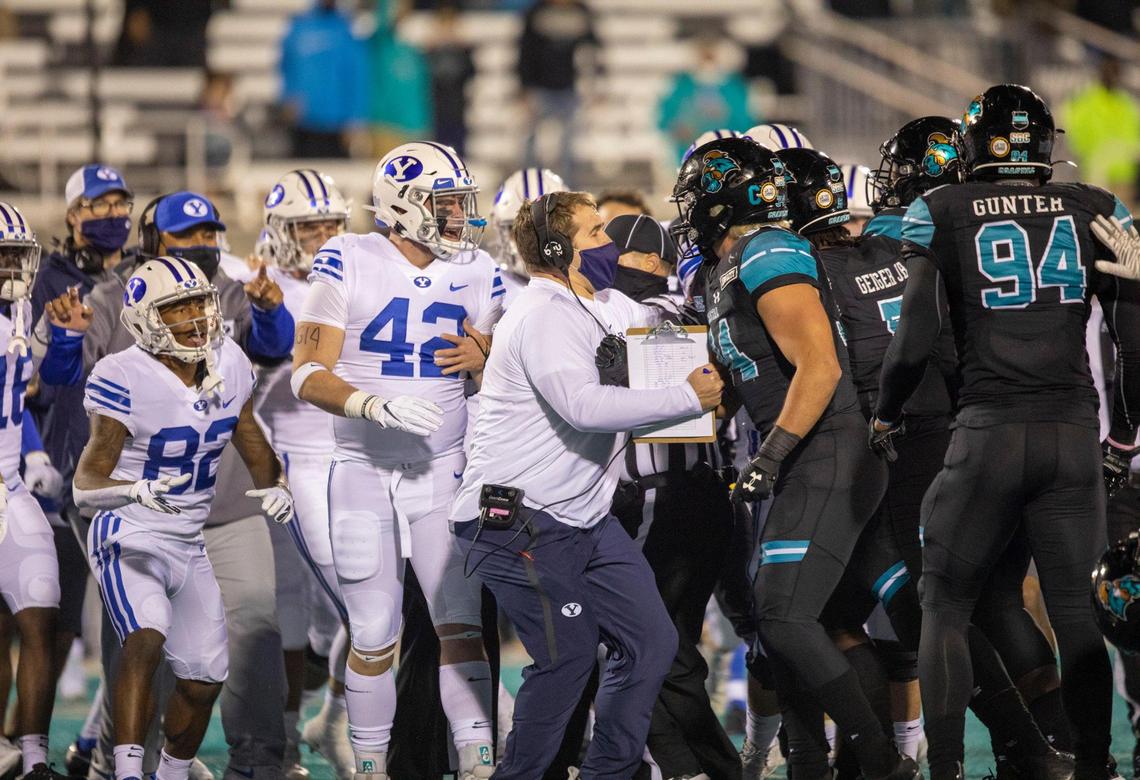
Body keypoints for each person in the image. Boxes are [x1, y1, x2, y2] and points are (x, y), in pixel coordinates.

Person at [871, 83, 1140, 780]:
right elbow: (1130, 349)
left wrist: (886, 413)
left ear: (972, 142)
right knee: (1076, 611)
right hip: (1072, 432)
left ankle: (950, 766)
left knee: (945, 601)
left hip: (989, 427)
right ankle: (1094, 762)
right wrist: (1125, 438)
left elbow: (913, 340)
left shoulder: (940, 209)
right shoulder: (1097, 208)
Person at [450, 189, 723, 778]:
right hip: (517, 519)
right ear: (556, 248)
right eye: (596, 232)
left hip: (581, 517)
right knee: (567, 658)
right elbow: (583, 406)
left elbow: (657, 320)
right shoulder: (543, 312)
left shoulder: (597, 301)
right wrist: (687, 397)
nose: (610, 242)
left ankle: (609, 773)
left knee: (650, 644)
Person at [672, 136, 918, 780]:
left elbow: (820, 363)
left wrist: (773, 454)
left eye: (695, 194)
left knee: (783, 615)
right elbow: (749, 379)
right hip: (818, 453)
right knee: (831, 616)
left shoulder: (766, 249)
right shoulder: (733, 263)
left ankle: (885, 757)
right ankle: (865, 759)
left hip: (825, 449)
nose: (688, 207)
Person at [43, 191, 296, 780]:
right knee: (141, 638)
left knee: (215, 662)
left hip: (211, 508)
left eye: (210, 233)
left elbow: (251, 415)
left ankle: (206, 766)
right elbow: (86, 458)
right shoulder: (117, 346)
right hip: (133, 518)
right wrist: (132, 492)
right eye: (188, 236)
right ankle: (123, 765)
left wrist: (275, 481)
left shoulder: (226, 341)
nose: (198, 320)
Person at [292, 141, 500, 780]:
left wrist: (485, 361)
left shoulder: (477, 269)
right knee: (375, 629)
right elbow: (305, 374)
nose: (460, 217)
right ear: (405, 206)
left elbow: (501, 372)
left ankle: (478, 761)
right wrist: (369, 404)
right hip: (361, 469)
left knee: (459, 624)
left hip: (443, 470)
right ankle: (371, 766)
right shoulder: (348, 256)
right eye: (446, 204)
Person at [603, 213, 741, 779]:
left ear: (648, 262)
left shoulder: (639, 311)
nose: (598, 261)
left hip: (661, 493)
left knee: (644, 646)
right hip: (701, 491)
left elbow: (675, 403)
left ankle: (690, 766)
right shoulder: (691, 306)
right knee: (671, 645)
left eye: (609, 250)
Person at [25, 163, 135, 775]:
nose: (110, 213)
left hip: (132, 462)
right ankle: (29, 742)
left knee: (137, 615)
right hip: (62, 464)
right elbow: (32, 380)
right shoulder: (45, 280)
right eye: (97, 204)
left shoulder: (141, 273)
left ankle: (97, 742)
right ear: (72, 215)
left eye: (119, 202)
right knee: (58, 620)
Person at [254, 169, 355, 780]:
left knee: (352, 610)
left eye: (330, 225)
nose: (321, 237)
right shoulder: (254, 284)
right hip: (287, 461)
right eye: (307, 226)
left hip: (354, 452)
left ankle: (334, 717)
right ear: (280, 232)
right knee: (299, 608)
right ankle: (288, 738)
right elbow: (255, 375)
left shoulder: (359, 274)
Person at [0, 202, 68, 780]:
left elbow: (22, 395)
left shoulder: (19, 311)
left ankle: (36, 755)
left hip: (10, 486)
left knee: (40, 611)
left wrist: (35, 453)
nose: (11, 268)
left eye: (16, 256)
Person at [517, 0, 598, 182]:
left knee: (569, 145)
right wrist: (524, 88)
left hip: (571, 90)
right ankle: (529, 184)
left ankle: (568, 188)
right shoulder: (537, 12)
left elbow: (593, 51)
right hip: (540, 89)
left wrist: (594, 86)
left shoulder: (582, 12)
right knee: (531, 142)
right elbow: (525, 51)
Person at [279, 0, 366, 158]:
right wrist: (287, 96)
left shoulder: (346, 27)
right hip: (304, 120)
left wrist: (355, 117)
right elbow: (286, 66)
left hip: (336, 123)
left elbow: (356, 75)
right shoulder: (300, 26)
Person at [658, 38, 752, 164]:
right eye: (703, 55)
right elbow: (665, 117)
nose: (707, 60)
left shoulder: (733, 86)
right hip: (688, 155)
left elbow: (746, 120)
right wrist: (675, 129)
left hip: (728, 156)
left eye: (711, 55)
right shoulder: (682, 84)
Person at [488, 167, 568, 308]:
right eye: (517, 231)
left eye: (546, 231)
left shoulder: (585, 289)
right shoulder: (486, 289)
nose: (532, 242)